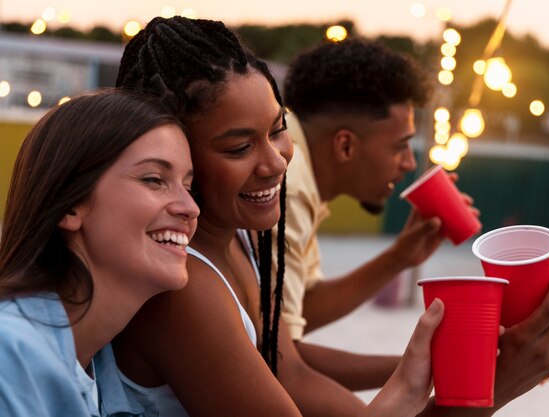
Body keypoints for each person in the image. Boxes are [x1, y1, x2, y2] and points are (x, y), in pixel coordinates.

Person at [111, 16, 444, 417]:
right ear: (175, 154)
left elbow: (288, 365)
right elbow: (291, 383)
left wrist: (427, 370)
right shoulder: (179, 287)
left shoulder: (245, 236)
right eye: (238, 148)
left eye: (277, 130)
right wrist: (439, 385)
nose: (276, 162)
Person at [279, 37, 549, 413]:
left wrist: (401, 258)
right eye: (400, 146)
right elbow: (284, 369)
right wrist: (481, 380)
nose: (407, 163)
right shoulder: (290, 183)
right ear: (345, 146)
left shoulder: (301, 179)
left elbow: (293, 318)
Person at [0, 89, 200, 416]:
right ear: (71, 204)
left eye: (188, 187)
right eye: (154, 179)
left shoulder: (99, 366)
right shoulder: (11, 354)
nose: (190, 208)